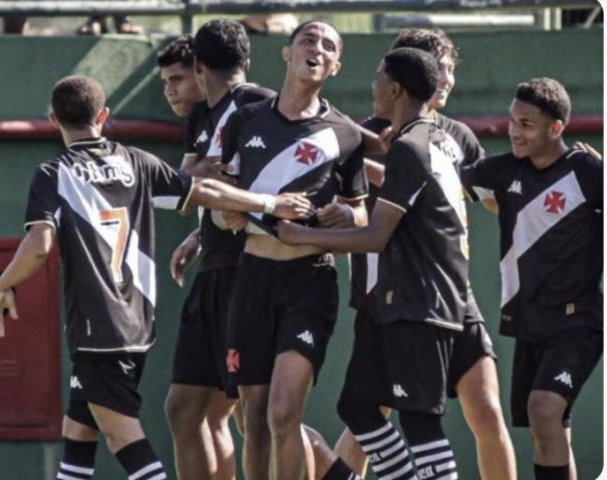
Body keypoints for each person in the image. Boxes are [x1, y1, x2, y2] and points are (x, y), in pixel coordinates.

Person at [0, 75, 313, 480]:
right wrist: (268, 202)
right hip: (136, 326)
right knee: (79, 432)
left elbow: (39, 243)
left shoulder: (54, 172)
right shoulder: (137, 162)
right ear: (103, 116)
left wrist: (3, 284)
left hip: (97, 328)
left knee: (123, 438)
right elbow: (206, 191)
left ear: (53, 120)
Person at [277, 47, 474, 480]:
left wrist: (304, 235)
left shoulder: (410, 146)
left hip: (420, 302)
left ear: (395, 89)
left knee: (420, 419)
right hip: (401, 301)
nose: (373, 87)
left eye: (378, 79)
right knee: (357, 406)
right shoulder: (433, 140)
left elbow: (375, 235)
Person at [334, 29, 517, 480]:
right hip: (387, 294)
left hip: (450, 291)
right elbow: (356, 202)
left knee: (487, 409)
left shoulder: (454, 136)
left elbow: (488, 195)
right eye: (438, 68)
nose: (446, 79)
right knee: (367, 415)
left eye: (451, 69)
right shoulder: (372, 131)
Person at [217, 19, 370, 480]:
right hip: (252, 276)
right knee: (255, 415)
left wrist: (346, 217)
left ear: (337, 66)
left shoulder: (346, 134)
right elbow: (222, 202)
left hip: (309, 281)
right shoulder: (246, 120)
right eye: (307, 40)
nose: (316, 49)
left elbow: (360, 215)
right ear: (286, 52)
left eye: (328, 46)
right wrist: (235, 213)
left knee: (284, 413)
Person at [458, 77, 603, 480]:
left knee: (544, 409)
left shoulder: (587, 170)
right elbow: (434, 180)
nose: (514, 132)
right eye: (512, 121)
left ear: (556, 128)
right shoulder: (504, 172)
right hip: (530, 322)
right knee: (552, 429)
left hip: (579, 320)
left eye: (526, 124)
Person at [162, 20, 275, 480]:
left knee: (262, 417)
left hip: (249, 272)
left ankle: (328, 469)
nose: (172, 88)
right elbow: (185, 188)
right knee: (185, 408)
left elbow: (291, 168)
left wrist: (230, 196)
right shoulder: (201, 116)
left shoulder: (258, 103)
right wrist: (197, 233)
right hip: (213, 268)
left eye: (177, 77)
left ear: (199, 66)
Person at [157, 34, 204, 119]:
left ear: (204, 73)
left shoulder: (232, 119)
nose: (169, 92)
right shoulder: (197, 124)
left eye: (176, 80)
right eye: (165, 83)